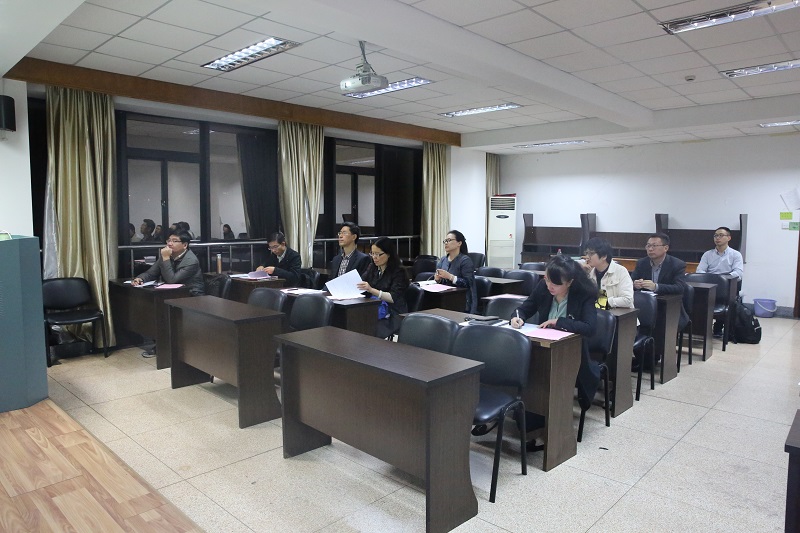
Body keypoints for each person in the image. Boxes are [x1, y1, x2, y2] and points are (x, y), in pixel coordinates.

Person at [510, 255, 599, 449]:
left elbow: (590, 327)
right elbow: (524, 308)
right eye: (547, 279)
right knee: (529, 376)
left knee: (545, 380)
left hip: (570, 354)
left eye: (556, 283)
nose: (550, 286)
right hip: (542, 347)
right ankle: (531, 427)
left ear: (570, 282)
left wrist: (559, 322)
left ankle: (548, 430)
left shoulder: (583, 294)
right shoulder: (543, 287)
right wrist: (517, 317)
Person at [631, 232, 689, 332]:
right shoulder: (641, 263)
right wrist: (635, 284)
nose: (650, 249)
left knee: (661, 325)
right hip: (645, 306)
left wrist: (655, 287)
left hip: (668, 308)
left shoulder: (677, 264)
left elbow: (679, 288)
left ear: (665, 248)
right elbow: (631, 282)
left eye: (654, 246)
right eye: (648, 246)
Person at [357, 237, 410, 338]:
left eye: (378, 254)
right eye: (372, 253)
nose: (374, 257)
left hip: (393, 312)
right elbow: (362, 282)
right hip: (374, 308)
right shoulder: (372, 267)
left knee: (367, 326)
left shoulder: (399, 272)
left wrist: (371, 290)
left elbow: (392, 298)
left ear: (389, 254)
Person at [696, 226, 744, 335]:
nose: (717, 238)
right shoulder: (708, 254)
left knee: (725, 297)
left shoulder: (735, 255)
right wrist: (711, 278)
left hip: (727, 287)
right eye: (716, 235)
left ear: (729, 238)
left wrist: (722, 279)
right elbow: (700, 271)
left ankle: (719, 325)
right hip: (709, 285)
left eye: (721, 235)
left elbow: (738, 273)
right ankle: (699, 328)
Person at [132, 231, 205, 296]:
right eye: (169, 240)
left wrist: (166, 258)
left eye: (174, 241)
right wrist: (140, 278)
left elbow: (171, 280)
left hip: (192, 295)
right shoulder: (166, 255)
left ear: (185, 245)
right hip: (173, 293)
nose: (169, 244)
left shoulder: (191, 260)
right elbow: (151, 273)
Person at [582, 237, 633, 309]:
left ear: (604, 256)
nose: (587, 257)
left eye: (591, 253)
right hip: (598, 313)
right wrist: (582, 274)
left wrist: (601, 303)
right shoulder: (589, 272)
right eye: (586, 253)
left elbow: (628, 300)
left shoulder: (621, 271)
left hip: (621, 314)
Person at [434, 230, 477, 313]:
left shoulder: (465, 261)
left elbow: (468, 283)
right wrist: (438, 279)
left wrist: (451, 277)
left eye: (449, 240)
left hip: (462, 301)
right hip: (444, 298)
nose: (446, 243)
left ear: (459, 243)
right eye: (445, 241)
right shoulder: (443, 260)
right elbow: (441, 282)